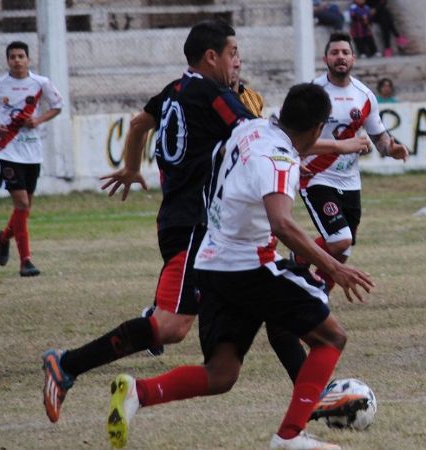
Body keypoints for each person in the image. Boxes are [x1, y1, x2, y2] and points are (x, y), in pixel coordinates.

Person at [40, 20, 309, 424]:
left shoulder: (175, 91)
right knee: (169, 326)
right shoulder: (213, 95)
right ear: (211, 57)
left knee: (259, 295)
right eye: (233, 53)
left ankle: (315, 395)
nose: (238, 61)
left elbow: (137, 125)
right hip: (197, 225)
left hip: (183, 222)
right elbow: (261, 137)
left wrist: (131, 167)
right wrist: (336, 143)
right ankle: (67, 364)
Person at [105, 83, 375, 450]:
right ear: (316, 128)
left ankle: (139, 392)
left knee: (221, 373)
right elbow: (282, 223)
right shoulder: (279, 159)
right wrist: (335, 267)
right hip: (248, 265)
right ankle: (290, 436)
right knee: (331, 338)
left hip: (212, 261)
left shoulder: (253, 129)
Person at [296, 31, 408, 295]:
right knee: (340, 239)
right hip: (316, 176)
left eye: (345, 52)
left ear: (353, 59)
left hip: (350, 181)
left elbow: (379, 138)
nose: (340, 57)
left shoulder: (364, 95)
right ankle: (298, 261)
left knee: (343, 248)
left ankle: (318, 292)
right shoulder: (314, 93)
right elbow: (296, 139)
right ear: (326, 58)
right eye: (335, 53)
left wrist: (393, 149)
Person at [0, 41, 63, 277]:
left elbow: (57, 105)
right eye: (13, 57)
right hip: (7, 151)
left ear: (28, 59)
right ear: (8, 60)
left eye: (21, 56)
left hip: (32, 153)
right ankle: (25, 261)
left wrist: (38, 120)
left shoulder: (41, 83)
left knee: (25, 209)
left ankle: (5, 236)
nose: (17, 60)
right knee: (22, 204)